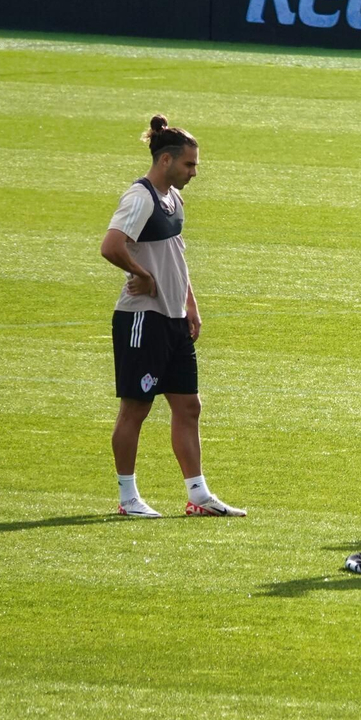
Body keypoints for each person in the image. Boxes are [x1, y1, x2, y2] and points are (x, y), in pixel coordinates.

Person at [102, 115, 244, 518]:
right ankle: (128, 498)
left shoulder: (173, 199)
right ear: (166, 160)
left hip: (173, 318)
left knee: (188, 406)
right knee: (136, 408)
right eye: (189, 165)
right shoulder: (140, 197)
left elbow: (175, 255)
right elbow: (111, 245)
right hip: (142, 319)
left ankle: (198, 496)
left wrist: (190, 304)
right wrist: (143, 275)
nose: (194, 172)